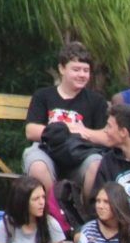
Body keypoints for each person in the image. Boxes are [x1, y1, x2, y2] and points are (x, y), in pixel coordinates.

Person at [22, 41, 110, 196]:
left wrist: (84, 131)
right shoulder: (43, 95)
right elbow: (31, 131)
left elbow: (106, 137)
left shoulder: (97, 101)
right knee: (37, 165)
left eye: (86, 70)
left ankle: (86, 215)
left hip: (81, 155)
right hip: (46, 151)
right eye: (76, 69)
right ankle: (53, 214)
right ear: (62, 69)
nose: (82, 75)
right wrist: (67, 129)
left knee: (96, 164)